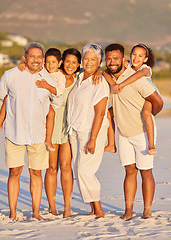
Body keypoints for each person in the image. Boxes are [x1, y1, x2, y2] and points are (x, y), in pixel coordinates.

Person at [0, 42, 62, 220]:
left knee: (36, 173)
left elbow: (56, 102)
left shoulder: (48, 80)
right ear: (25, 57)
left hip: (38, 135)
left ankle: (36, 212)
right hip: (14, 133)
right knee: (15, 172)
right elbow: (0, 93)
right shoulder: (11, 75)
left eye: (39, 57)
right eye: (32, 56)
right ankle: (12, 212)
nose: (36, 60)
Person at [104, 43, 163, 220]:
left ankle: (147, 210)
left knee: (146, 171)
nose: (112, 62)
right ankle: (128, 210)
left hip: (142, 133)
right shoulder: (110, 77)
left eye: (116, 58)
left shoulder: (139, 77)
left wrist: (150, 114)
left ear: (123, 59)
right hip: (123, 134)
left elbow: (158, 102)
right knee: (129, 171)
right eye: (108, 58)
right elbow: (103, 73)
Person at [0, 48, 66, 152]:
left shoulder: (60, 76)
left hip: (49, 101)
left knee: (51, 113)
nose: (50, 65)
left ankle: (48, 139)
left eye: (54, 62)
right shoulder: (43, 70)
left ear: (59, 63)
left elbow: (59, 92)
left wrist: (47, 86)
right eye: (48, 62)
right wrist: (23, 63)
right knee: (8, 98)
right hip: (36, 99)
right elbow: (32, 64)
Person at [67, 43, 109, 218]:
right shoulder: (80, 77)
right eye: (86, 58)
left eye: (93, 59)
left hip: (91, 132)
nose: (89, 62)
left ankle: (99, 209)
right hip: (75, 130)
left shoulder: (100, 82)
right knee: (78, 170)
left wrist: (93, 138)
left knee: (85, 171)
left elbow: (100, 113)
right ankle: (92, 207)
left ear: (99, 63)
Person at [44, 48, 81, 218]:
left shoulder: (79, 79)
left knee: (66, 166)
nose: (70, 65)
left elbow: (98, 71)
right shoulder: (51, 74)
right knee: (52, 167)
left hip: (68, 126)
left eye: (74, 62)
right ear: (61, 62)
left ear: (78, 64)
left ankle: (67, 207)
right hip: (50, 124)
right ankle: (52, 206)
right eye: (67, 61)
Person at [102, 43, 158, 155]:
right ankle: (111, 144)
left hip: (148, 96)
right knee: (108, 113)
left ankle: (151, 145)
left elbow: (136, 76)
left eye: (140, 56)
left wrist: (121, 85)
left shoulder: (145, 69)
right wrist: (113, 83)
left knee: (147, 114)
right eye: (134, 54)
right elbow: (105, 72)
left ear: (145, 59)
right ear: (130, 55)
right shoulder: (128, 64)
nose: (136, 58)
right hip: (136, 96)